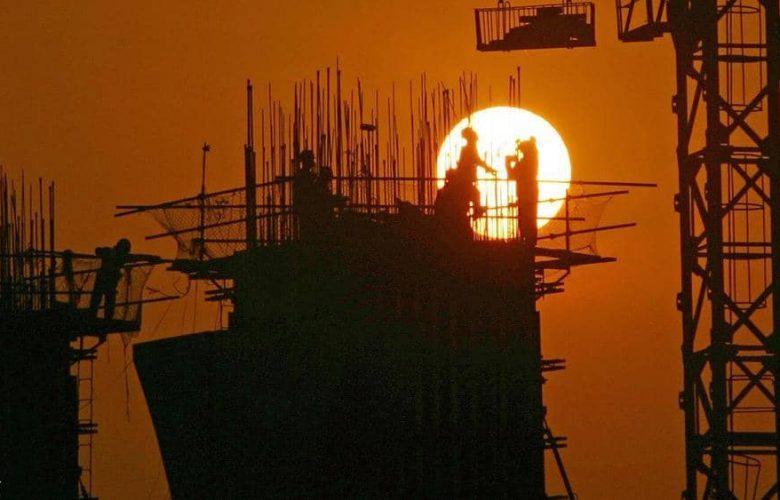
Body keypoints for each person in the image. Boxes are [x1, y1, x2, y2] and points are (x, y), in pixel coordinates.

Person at [454, 127, 497, 218]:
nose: (476, 141)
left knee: (474, 194)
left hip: (466, 178)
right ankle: (477, 210)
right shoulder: (469, 149)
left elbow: (476, 160)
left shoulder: (468, 148)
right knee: (475, 194)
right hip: (465, 178)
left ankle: (477, 210)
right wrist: (489, 168)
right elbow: (477, 160)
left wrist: (488, 168)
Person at [506, 136, 539, 247]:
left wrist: (508, 163)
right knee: (529, 218)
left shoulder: (526, 162)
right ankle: (529, 240)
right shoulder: (530, 161)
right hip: (528, 193)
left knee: (526, 219)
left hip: (525, 194)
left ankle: (527, 240)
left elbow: (511, 175)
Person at [90, 238, 132, 320]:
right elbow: (97, 250)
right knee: (97, 299)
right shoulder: (109, 251)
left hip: (110, 282)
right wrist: (108, 256)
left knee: (109, 301)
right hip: (102, 279)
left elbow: (138, 257)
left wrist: (151, 258)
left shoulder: (123, 257)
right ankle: (92, 316)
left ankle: (107, 318)